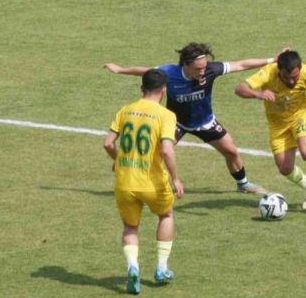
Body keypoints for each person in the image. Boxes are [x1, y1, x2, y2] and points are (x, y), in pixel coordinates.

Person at [104, 43, 287, 195]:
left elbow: (240, 65)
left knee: (231, 151)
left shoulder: (210, 70)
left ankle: (243, 184)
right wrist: (120, 70)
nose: (203, 71)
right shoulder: (169, 73)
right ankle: (140, 183)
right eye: (198, 68)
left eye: (205, 67)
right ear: (186, 65)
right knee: (156, 154)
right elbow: (145, 72)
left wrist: (271, 60)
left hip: (205, 121)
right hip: (176, 122)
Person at [234, 50, 306, 215]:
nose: (291, 81)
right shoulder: (268, 72)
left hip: (300, 116)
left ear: (300, 68)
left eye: (295, 77)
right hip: (278, 125)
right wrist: (258, 93)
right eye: (286, 77)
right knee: (285, 168)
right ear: (278, 69)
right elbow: (239, 89)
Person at [103, 69, 185, 295]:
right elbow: (167, 150)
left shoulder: (125, 110)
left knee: (130, 227)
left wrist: (118, 160)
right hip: (152, 183)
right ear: (164, 90)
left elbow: (108, 143)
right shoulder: (166, 115)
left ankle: (133, 267)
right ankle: (161, 268)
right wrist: (175, 178)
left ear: (142, 88)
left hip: (125, 182)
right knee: (166, 215)